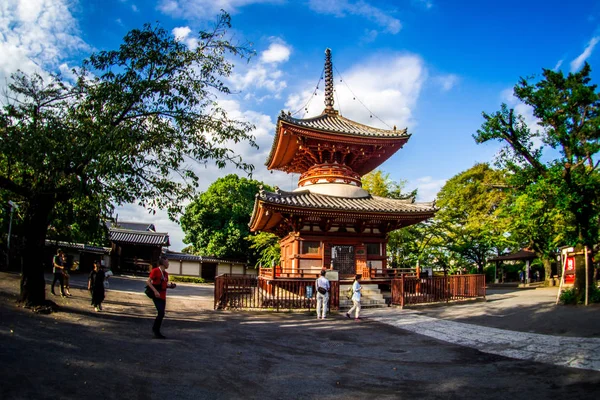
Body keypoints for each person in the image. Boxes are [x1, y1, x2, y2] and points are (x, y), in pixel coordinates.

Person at [147, 256, 176, 339]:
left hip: (163, 295)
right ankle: (156, 330)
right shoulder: (155, 271)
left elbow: (164, 284)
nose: (168, 264)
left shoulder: (166, 274)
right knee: (161, 313)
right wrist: (155, 291)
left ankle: (156, 330)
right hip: (157, 295)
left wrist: (170, 286)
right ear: (163, 263)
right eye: (167, 262)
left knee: (161, 313)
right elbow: (148, 282)